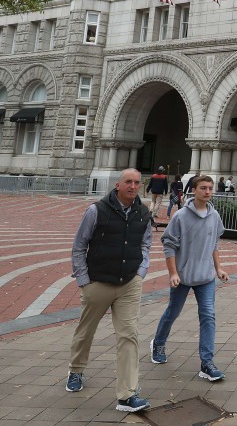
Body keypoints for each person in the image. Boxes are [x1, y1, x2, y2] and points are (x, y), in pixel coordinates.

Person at [66, 168, 153, 413]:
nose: (133, 186)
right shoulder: (97, 210)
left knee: (129, 335)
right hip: (98, 282)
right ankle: (76, 370)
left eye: (137, 182)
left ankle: (127, 394)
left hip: (129, 283)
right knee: (86, 330)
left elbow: (146, 243)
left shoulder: (143, 212)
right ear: (118, 185)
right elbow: (79, 246)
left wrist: (141, 271)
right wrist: (84, 280)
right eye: (128, 182)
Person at [149, 175, 229, 383]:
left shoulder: (214, 216)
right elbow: (169, 244)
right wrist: (173, 273)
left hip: (205, 277)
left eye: (210, 188)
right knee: (172, 312)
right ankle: (158, 343)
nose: (208, 192)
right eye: (203, 188)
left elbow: (214, 244)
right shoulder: (181, 216)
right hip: (183, 277)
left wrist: (218, 268)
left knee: (208, 316)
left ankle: (207, 363)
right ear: (193, 190)